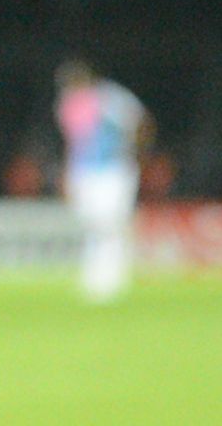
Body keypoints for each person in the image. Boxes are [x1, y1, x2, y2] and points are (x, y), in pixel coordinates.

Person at [54, 58, 153, 302]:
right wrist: (68, 173)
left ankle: (113, 279)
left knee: (112, 222)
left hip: (114, 169)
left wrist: (135, 154)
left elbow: (141, 123)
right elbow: (74, 142)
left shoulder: (110, 98)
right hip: (85, 171)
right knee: (92, 222)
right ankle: (94, 276)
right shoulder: (67, 104)